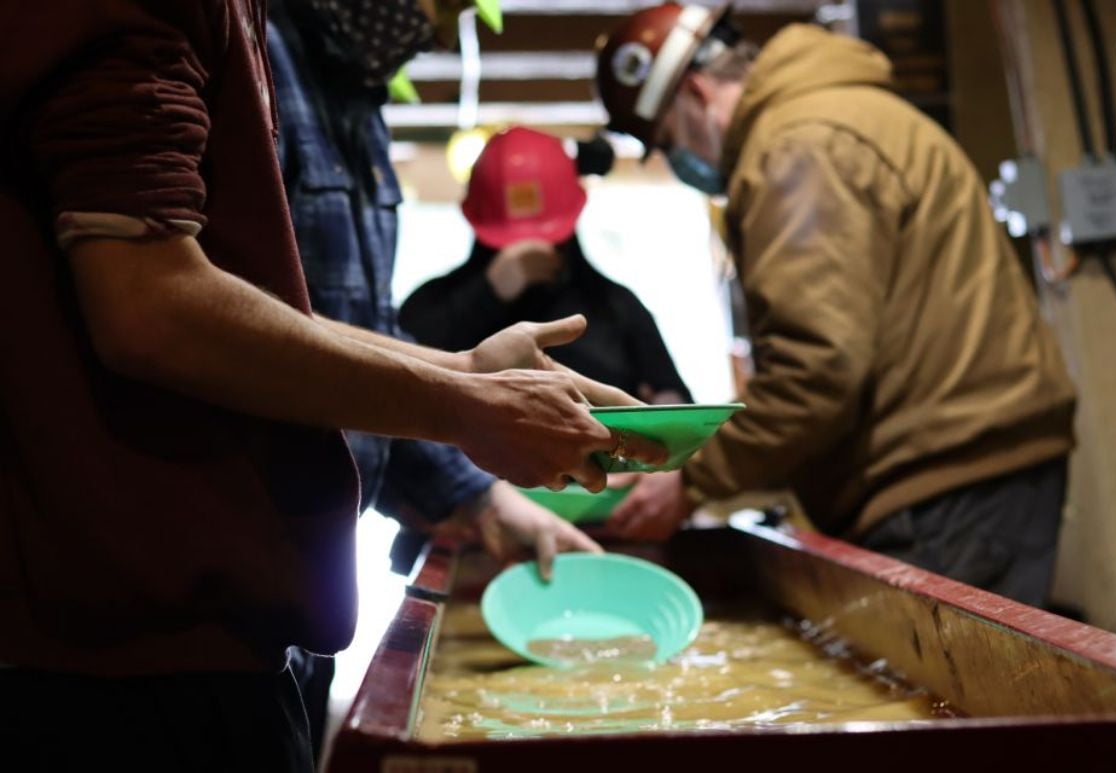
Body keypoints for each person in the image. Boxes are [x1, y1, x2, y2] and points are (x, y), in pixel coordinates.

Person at [0, 2, 663, 769]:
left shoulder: (330, 88)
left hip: (226, 630)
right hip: (116, 654)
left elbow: (284, 315)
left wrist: (466, 378)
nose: (446, 31)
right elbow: (151, 305)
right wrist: (466, 405)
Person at [594, 2, 1077, 608]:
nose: (679, 162)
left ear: (694, 91)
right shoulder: (839, 114)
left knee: (935, 703)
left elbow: (816, 366)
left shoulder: (796, 147)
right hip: (968, 464)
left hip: (941, 482)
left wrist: (694, 482)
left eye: (667, 140)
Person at [266, 3, 605, 761]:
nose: (445, 24)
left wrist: (479, 497)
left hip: (305, 593)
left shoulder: (358, 106)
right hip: (209, 586)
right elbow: (219, 323)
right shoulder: (252, 62)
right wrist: (464, 392)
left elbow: (363, 337)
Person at [401, 126, 692, 405]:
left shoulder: (616, 308)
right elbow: (403, 382)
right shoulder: (432, 306)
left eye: (546, 240)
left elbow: (670, 394)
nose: (530, 253)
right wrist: (487, 294)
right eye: (509, 244)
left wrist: (666, 407)